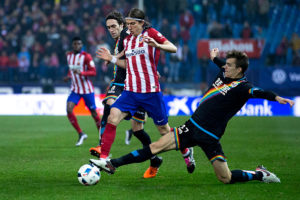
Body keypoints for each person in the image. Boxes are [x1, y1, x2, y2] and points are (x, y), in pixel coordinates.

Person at [90, 48, 294, 184]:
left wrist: (277, 98)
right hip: (191, 127)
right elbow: (220, 62)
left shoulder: (244, 87)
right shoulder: (224, 73)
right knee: (155, 147)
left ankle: (260, 174)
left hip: (210, 136)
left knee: (225, 178)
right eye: (225, 64)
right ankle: (112, 164)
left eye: (229, 65)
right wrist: (215, 57)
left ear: (239, 70)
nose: (225, 67)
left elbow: (260, 92)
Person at [94, 8, 195, 177]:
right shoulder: (128, 41)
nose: (129, 27)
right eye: (127, 24)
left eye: (132, 24)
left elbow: (173, 48)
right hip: (131, 92)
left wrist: (157, 45)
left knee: (164, 131)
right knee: (113, 116)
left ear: (141, 23)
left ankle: (186, 150)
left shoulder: (151, 33)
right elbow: (128, 64)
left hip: (150, 93)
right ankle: (104, 158)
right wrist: (111, 58)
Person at [89, 11, 163, 178]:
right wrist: (113, 57)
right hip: (126, 85)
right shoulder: (120, 40)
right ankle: (154, 158)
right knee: (137, 129)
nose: (111, 30)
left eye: (114, 26)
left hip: (131, 86)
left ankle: (103, 147)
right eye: (108, 27)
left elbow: (136, 58)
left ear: (123, 25)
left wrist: (113, 58)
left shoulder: (126, 35)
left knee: (110, 104)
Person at [64, 36, 101, 146]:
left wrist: (81, 73)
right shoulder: (69, 56)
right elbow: (71, 70)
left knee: (93, 113)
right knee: (69, 109)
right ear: (72, 45)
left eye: (79, 44)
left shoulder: (86, 57)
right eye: (75, 44)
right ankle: (81, 133)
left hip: (87, 90)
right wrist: (68, 76)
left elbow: (93, 72)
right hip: (75, 89)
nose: (77, 46)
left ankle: (102, 135)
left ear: (82, 45)